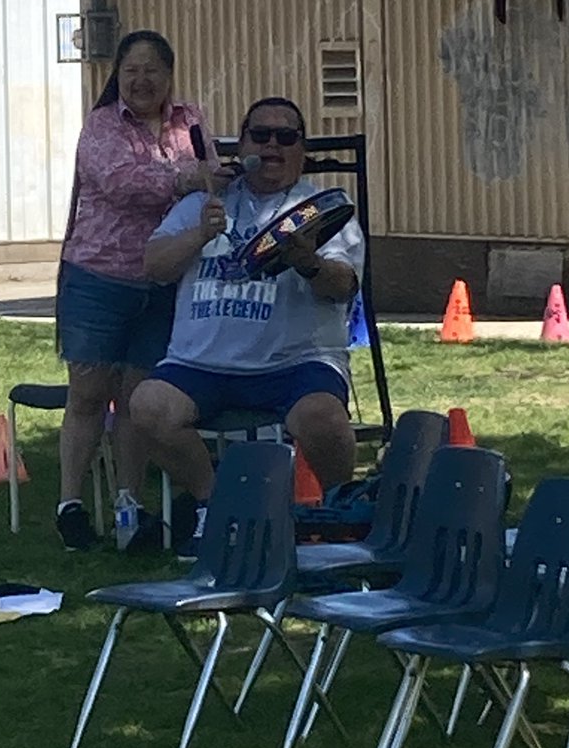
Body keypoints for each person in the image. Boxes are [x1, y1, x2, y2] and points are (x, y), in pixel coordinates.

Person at [131, 96, 364, 558]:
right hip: (201, 364)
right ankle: (216, 505)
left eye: (286, 137)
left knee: (321, 416)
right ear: (242, 146)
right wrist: (199, 233)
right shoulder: (204, 202)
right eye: (261, 135)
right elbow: (153, 266)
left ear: (302, 149)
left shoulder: (319, 209)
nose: (273, 146)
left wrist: (308, 263)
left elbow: (343, 286)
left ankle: (343, 510)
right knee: (148, 406)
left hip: (294, 361)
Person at [55, 29, 217, 551]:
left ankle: (129, 502)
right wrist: (182, 180)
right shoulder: (101, 127)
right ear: (117, 76)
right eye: (131, 70)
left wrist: (203, 180)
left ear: (169, 75)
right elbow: (120, 182)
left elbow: (210, 173)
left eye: (152, 70)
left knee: (136, 395)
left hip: (164, 279)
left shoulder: (188, 121)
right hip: (99, 277)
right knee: (87, 393)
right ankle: (71, 505)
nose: (142, 80)